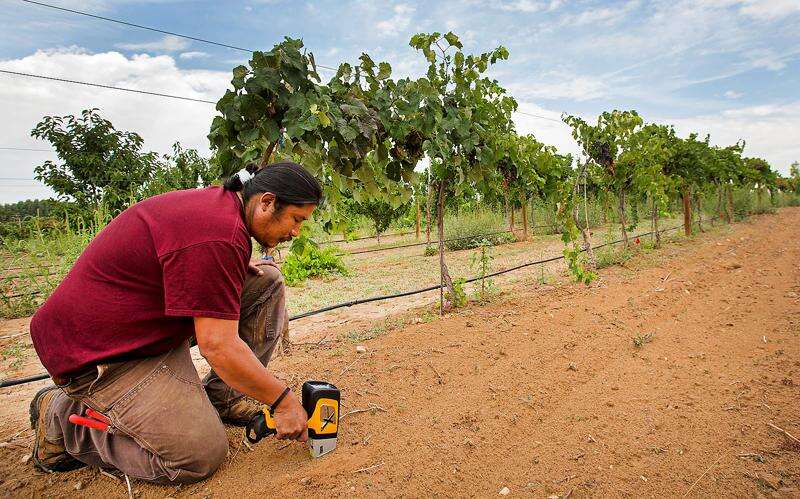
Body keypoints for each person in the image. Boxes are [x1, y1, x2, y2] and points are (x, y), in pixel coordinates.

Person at [27, 161, 322, 483]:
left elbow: (193, 254)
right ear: (267, 202)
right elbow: (217, 345)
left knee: (266, 281)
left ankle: (224, 398)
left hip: (146, 331)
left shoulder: (222, 214)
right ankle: (60, 417)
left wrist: (226, 269)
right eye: (296, 219)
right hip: (100, 354)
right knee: (197, 456)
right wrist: (282, 402)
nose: (295, 232)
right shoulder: (218, 234)